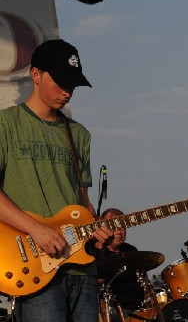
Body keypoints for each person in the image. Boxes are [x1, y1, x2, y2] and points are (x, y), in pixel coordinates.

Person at [0, 39, 113, 322]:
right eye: (61, 81)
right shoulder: (5, 124)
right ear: (35, 75)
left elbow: (82, 201)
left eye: (72, 84)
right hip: (36, 267)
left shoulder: (79, 135)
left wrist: (98, 226)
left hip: (82, 269)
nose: (67, 91)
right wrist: (36, 230)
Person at [94, 208, 145, 316]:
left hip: (137, 308)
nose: (119, 232)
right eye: (114, 227)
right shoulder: (96, 253)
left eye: (122, 227)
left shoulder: (131, 251)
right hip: (110, 310)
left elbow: (143, 280)